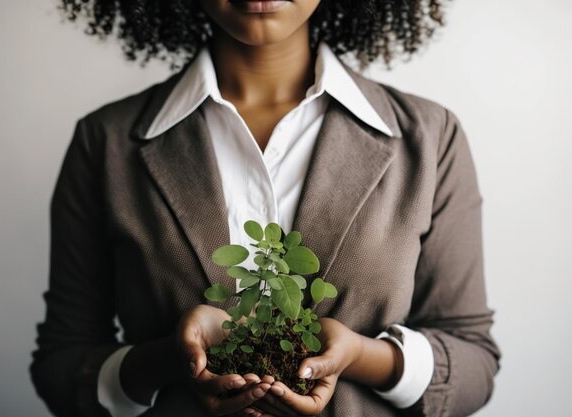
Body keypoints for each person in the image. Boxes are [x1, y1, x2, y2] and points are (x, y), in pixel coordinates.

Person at [30, 1, 501, 416]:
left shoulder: (430, 137)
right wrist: (173, 360)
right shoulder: (106, 143)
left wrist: (360, 355)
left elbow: (472, 362)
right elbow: (62, 366)